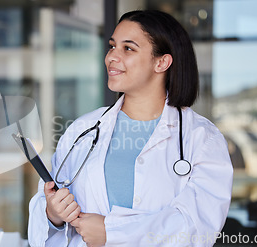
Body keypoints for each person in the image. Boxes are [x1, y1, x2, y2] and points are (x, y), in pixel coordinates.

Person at [28, 10, 233, 247]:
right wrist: (53, 215)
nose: (111, 57)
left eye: (128, 48)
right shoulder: (82, 129)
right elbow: (43, 210)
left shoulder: (202, 138)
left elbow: (198, 227)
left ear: (161, 62)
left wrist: (112, 233)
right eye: (112, 46)